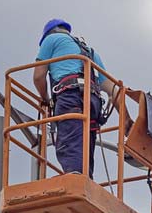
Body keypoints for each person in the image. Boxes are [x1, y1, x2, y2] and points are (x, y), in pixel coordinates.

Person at [32, 19, 116, 178]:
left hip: (70, 95)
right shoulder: (89, 51)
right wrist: (126, 122)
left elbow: (38, 76)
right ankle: (85, 179)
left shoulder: (50, 40)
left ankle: (74, 177)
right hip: (93, 101)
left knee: (69, 139)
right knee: (85, 142)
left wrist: (45, 99)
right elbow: (113, 90)